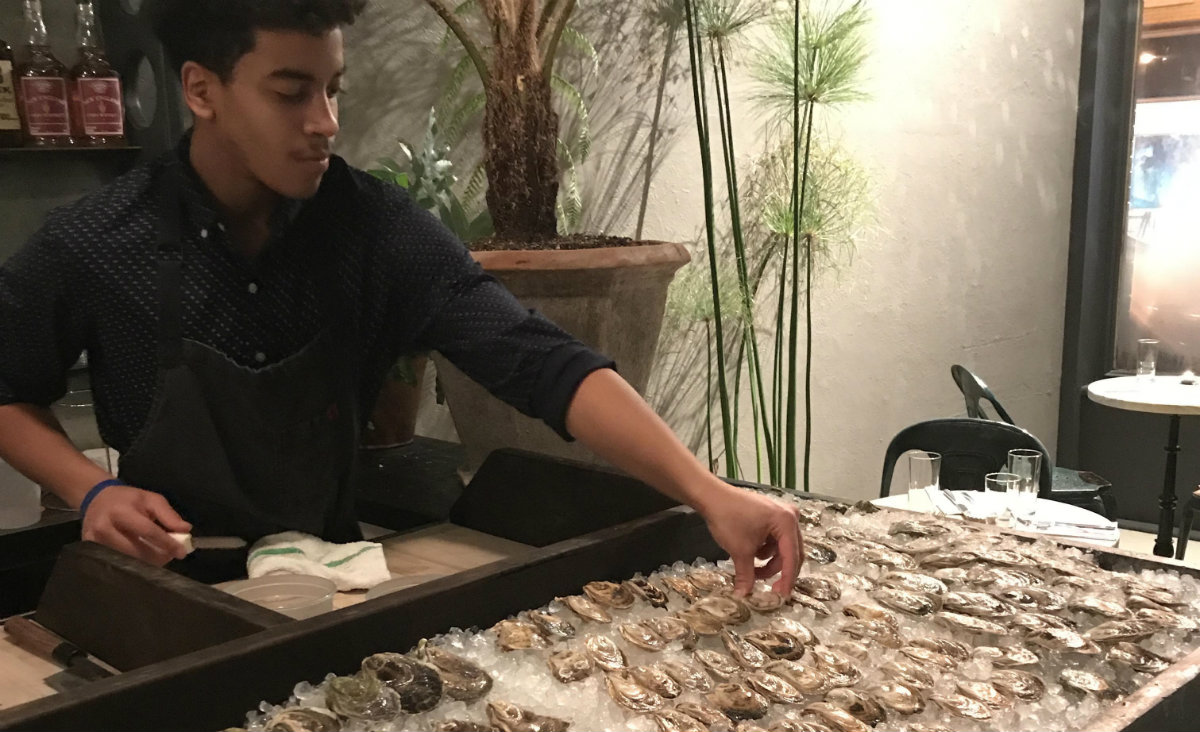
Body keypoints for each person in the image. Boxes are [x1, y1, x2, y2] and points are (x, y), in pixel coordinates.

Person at [0, 0, 802, 593]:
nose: (325, 123)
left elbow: (538, 360)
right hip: (158, 586)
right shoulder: (99, 238)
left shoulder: (373, 229)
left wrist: (709, 492)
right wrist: (91, 489)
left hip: (330, 578)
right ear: (203, 91)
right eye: (291, 92)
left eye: (334, 89)